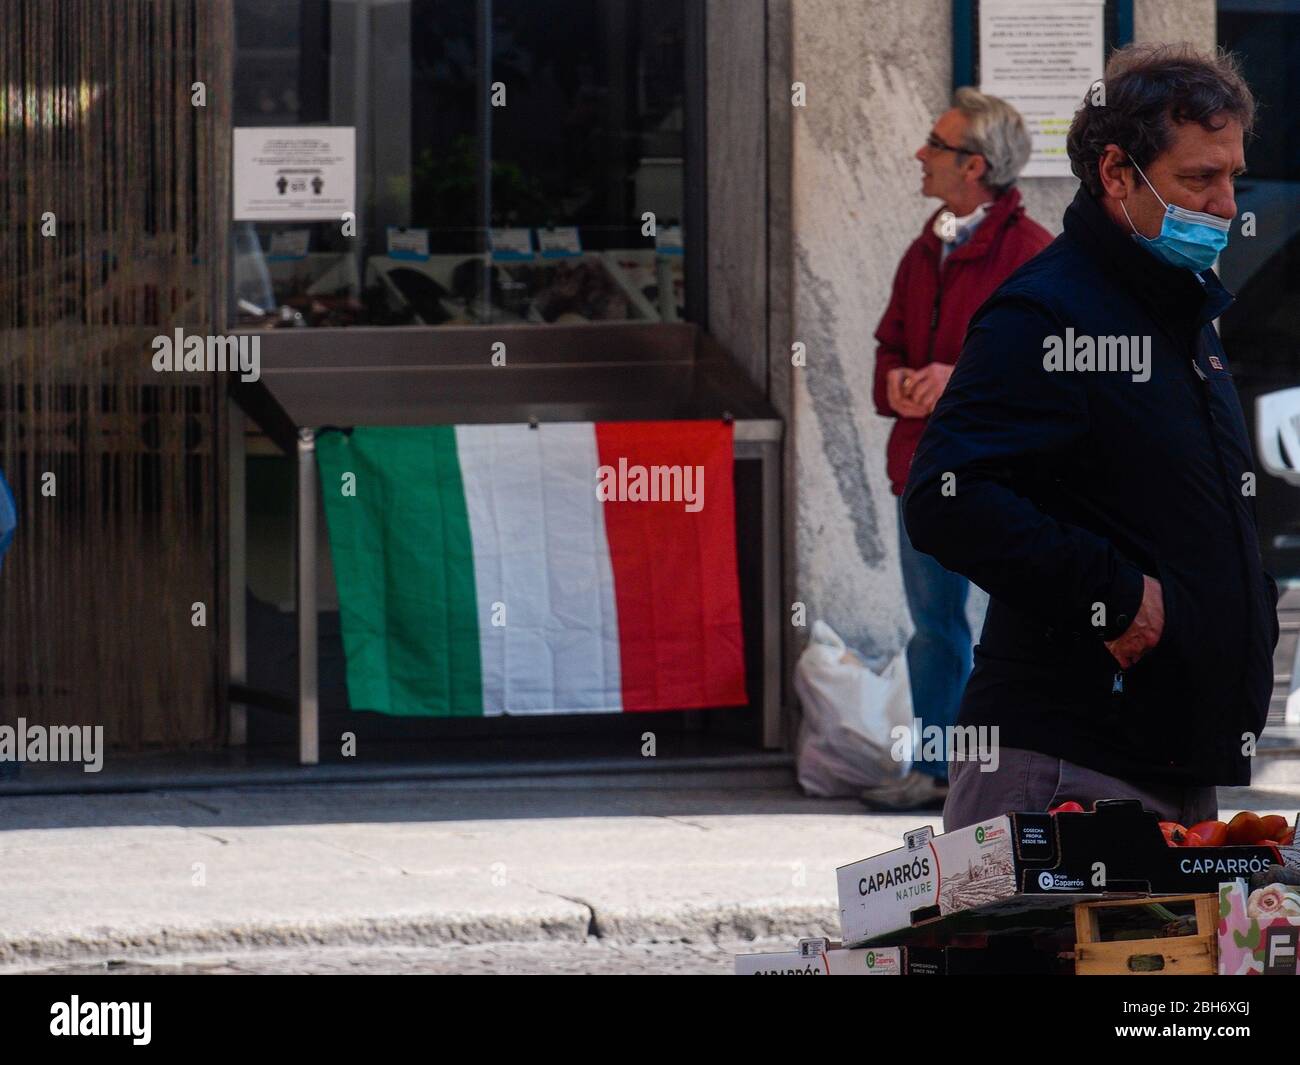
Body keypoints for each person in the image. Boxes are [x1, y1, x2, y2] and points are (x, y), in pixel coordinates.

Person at [902, 44, 1281, 830]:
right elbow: (947, 496)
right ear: (1116, 173)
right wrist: (1112, 595)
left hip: (1174, 763)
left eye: (1232, 175)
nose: (1225, 202)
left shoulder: (1184, 314)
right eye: (1198, 178)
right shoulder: (1048, 311)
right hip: (1062, 766)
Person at [863, 89, 1051, 810]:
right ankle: (937, 771)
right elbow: (888, 345)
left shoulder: (1032, 254)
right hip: (923, 470)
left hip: (1003, 480)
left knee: (1021, 629)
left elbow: (1049, 370)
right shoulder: (926, 245)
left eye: (934, 146)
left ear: (973, 166)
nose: (920, 155)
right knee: (934, 630)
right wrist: (900, 383)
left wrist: (956, 380)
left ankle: (1017, 774)